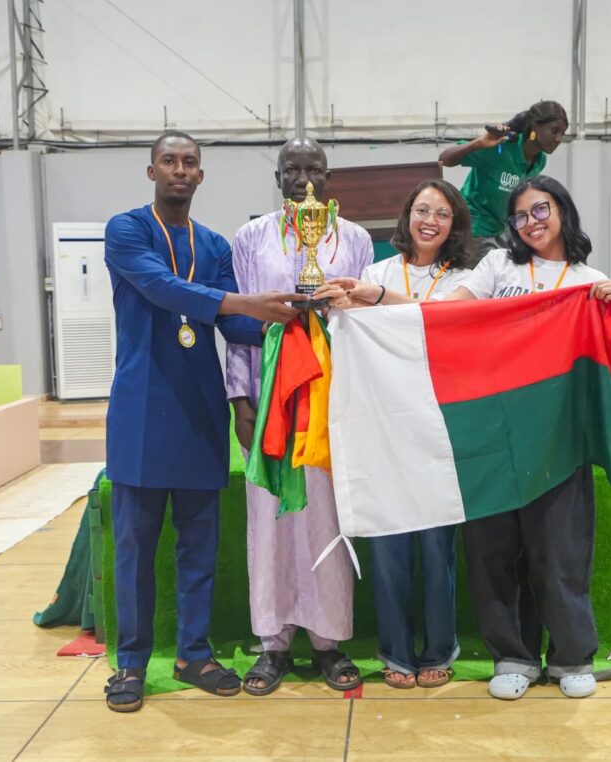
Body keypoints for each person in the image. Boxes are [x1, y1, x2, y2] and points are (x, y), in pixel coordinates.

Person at [322, 175, 611, 700]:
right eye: (520, 215)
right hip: (490, 437)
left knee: (559, 553)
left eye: (540, 210)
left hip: (557, 440)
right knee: (494, 554)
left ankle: (572, 657)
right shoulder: (497, 266)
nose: (530, 223)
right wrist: (376, 297)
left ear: (563, 211)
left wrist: (610, 305)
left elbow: (607, 354)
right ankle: (513, 656)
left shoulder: (588, 280)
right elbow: (446, 316)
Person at [102, 131, 300, 713]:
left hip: (198, 410)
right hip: (141, 409)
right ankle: (131, 664)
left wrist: (296, 317)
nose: (180, 170)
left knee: (198, 547)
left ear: (200, 175)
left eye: (189, 162)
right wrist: (244, 304)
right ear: (152, 171)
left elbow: (235, 325)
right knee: (136, 550)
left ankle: (193, 654)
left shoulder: (212, 244)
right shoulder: (127, 230)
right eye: (169, 161)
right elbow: (163, 289)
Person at [225, 136, 373, 696]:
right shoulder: (251, 237)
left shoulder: (354, 239)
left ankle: (328, 642)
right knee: (269, 516)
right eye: (292, 169)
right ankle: (274, 643)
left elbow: (363, 319)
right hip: (271, 399)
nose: (303, 178)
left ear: (329, 178)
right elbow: (238, 325)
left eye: (314, 169)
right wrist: (241, 401)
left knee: (326, 517)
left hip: (331, 398)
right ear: (278, 177)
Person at [353, 179, 474, 689]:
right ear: (406, 216)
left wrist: (380, 301)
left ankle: (440, 648)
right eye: (422, 210)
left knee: (436, 548)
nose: (430, 221)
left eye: (442, 213)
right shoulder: (376, 270)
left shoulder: (466, 277)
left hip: (438, 427)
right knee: (387, 546)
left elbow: (451, 321)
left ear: (455, 224)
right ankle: (395, 651)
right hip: (383, 424)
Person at [438, 100, 568, 259]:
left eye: (562, 133)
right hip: (475, 227)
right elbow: (444, 159)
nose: (558, 139)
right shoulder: (500, 148)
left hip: (502, 230)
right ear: (535, 127)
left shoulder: (540, 160)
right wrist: (479, 142)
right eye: (554, 131)